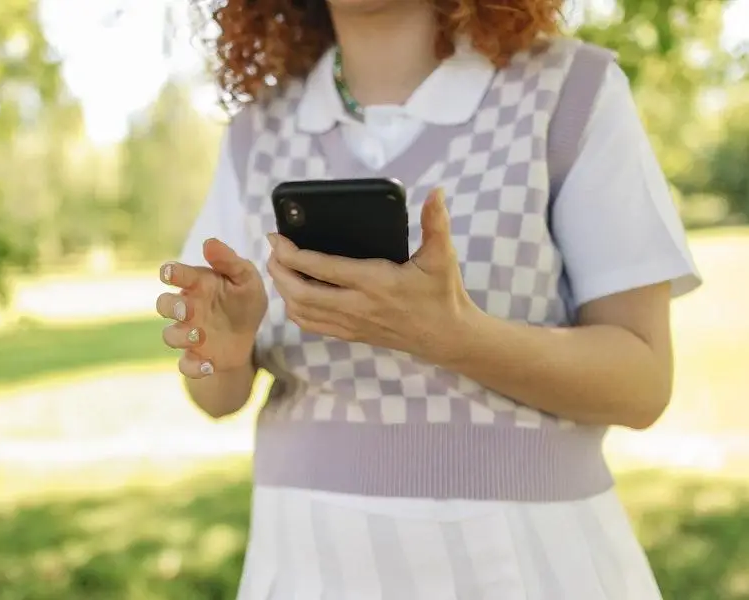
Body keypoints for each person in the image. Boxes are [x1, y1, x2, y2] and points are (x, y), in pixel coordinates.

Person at [155, 0, 702, 597]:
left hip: (531, 563)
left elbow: (643, 383)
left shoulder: (571, 91)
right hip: (307, 562)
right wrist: (225, 353)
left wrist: (455, 337)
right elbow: (215, 395)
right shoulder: (255, 132)